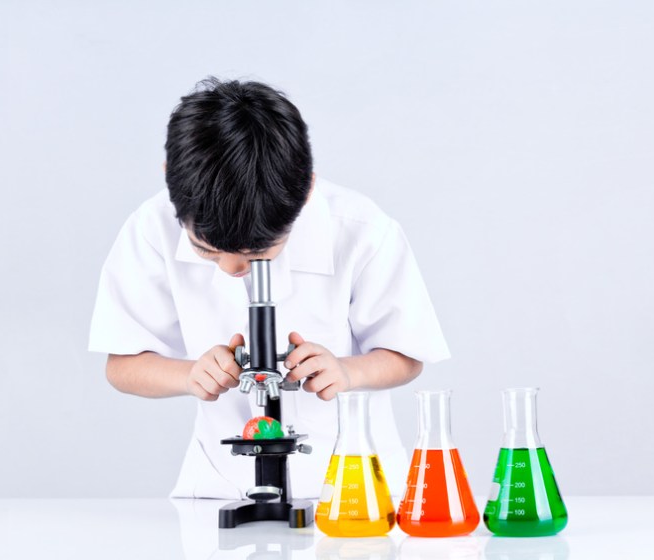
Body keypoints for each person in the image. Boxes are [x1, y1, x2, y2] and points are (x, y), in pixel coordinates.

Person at [89, 78, 449, 499]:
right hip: (222, 485)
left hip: (358, 487)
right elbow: (122, 364)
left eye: (259, 250)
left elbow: (408, 355)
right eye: (207, 251)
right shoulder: (150, 229)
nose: (232, 269)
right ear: (171, 181)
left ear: (306, 189)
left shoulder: (363, 230)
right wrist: (190, 375)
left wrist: (348, 371)